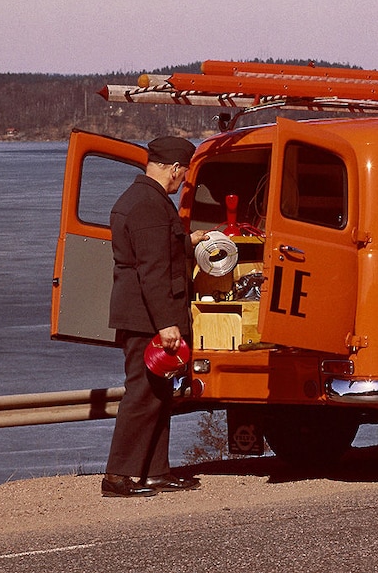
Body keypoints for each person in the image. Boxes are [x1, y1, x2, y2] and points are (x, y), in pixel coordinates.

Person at [101, 136, 208, 498]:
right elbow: (153, 269)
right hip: (147, 317)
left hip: (142, 313)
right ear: (175, 169)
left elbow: (157, 249)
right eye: (183, 173)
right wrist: (166, 323)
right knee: (142, 394)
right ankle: (117, 475)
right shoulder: (149, 205)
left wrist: (187, 241)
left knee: (159, 394)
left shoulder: (140, 199)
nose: (182, 181)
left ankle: (153, 472)